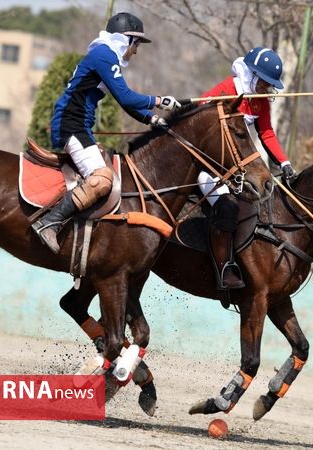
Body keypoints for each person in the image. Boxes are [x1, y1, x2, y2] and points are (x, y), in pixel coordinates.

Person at [32, 12, 180, 254]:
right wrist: (160, 100)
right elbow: (127, 96)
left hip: (77, 124)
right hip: (72, 125)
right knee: (102, 179)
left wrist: (152, 118)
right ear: (127, 39)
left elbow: (127, 104)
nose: (136, 51)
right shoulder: (104, 54)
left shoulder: (105, 55)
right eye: (137, 44)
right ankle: (49, 222)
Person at [199, 46, 296, 290]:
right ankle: (224, 268)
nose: (265, 89)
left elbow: (266, 132)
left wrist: (283, 162)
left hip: (236, 165)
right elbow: (199, 119)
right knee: (226, 208)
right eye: (263, 83)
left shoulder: (260, 99)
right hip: (206, 163)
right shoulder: (227, 90)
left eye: (268, 85)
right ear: (250, 75)